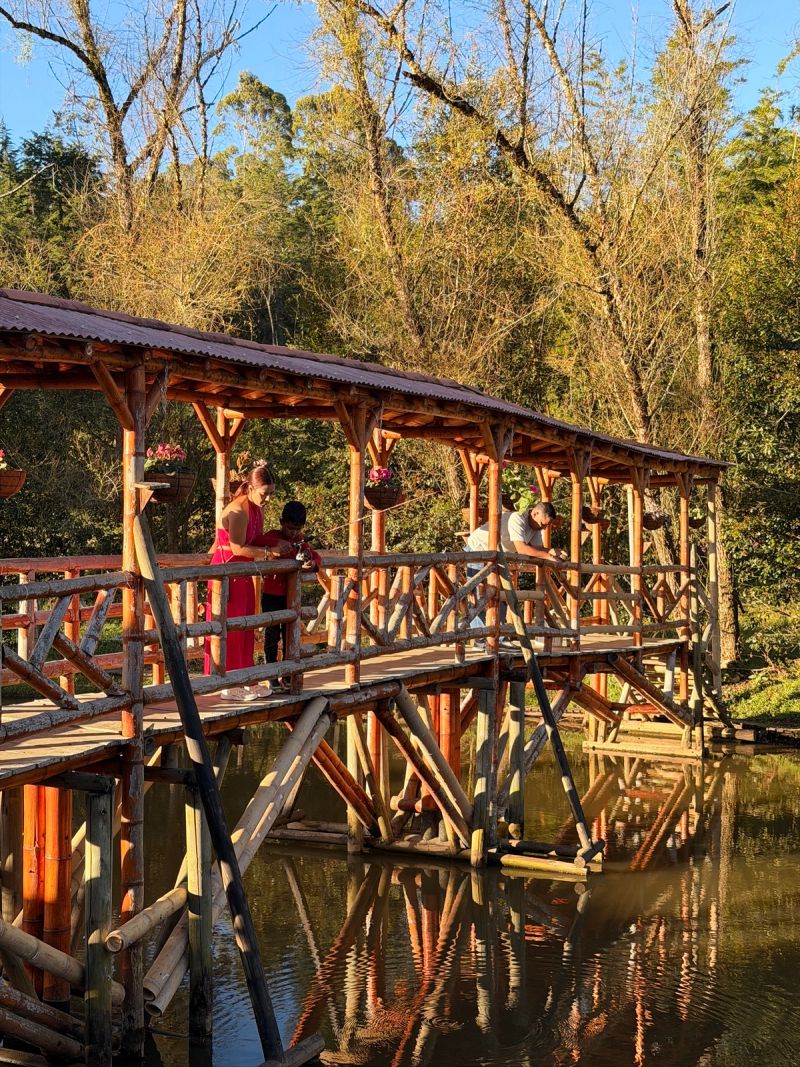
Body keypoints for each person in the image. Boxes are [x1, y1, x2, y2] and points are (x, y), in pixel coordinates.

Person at [203, 461, 292, 700]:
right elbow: (238, 547)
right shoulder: (239, 509)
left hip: (243, 574)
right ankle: (227, 682)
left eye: (271, 494)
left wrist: (277, 542)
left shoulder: (256, 509)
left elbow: (255, 538)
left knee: (245, 628)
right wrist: (269, 552)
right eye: (264, 494)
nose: (268, 499)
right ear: (251, 488)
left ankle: (246, 679)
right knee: (229, 628)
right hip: (227, 572)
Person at [464, 501, 567, 645]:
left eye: (546, 526)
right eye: (543, 524)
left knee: (498, 595)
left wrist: (552, 551)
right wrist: (549, 556)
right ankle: (481, 640)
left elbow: (537, 549)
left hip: (496, 556)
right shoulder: (517, 518)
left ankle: (498, 637)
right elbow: (522, 549)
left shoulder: (535, 527)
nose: (544, 528)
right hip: (478, 550)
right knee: (478, 595)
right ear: (535, 513)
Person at [254, 501, 321, 693]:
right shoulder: (272, 537)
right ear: (282, 522)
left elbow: (315, 557)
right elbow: (256, 543)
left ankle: (286, 674)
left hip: (291, 598)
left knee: (290, 635)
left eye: (297, 529)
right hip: (271, 595)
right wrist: (275, 549)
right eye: (290, 528)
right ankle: (271, 675)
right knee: (272, 635)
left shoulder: (301, 541)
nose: (293, 533)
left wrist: (311, 564)